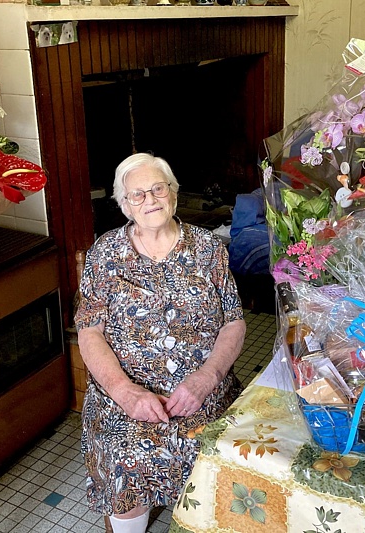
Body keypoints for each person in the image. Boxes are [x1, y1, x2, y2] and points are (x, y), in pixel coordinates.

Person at [74, 153, 246, 533]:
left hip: (204, 390)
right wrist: (124, 391)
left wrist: (205, 379)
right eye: (137, 195)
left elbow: (233, 321)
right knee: (127, 456)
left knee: (225, 455)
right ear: (123, 205)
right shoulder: (106, 252)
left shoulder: (209, 248)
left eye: (158, 188)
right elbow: (89, 330)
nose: (150, 200)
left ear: (173, 193)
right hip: (125, 395)